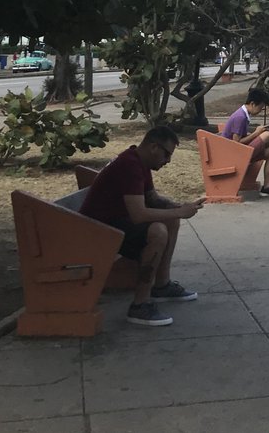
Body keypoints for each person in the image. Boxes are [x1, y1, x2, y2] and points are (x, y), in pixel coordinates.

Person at [78, 126, 204, 327]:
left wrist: (178, 207)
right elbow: (139, 215)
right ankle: (139, 306)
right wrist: (180, 212)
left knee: (170, 220)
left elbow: (151, 198)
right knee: (157, 232)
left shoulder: (139, 162)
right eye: (167, 154)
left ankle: (161, 285)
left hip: (110, 225)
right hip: (96, 232)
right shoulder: (129, 165)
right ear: (154, 147)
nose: (168, 161)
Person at [220, 88, 269, 196]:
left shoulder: (243, 115)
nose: (260, 111)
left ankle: (267, 187)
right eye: (260, 107)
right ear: (252, 104)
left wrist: (257, 133)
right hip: (233, 155)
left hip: (237, 152)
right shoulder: (240, 117)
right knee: (267, 135)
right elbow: (236, 143)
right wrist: (257, 133)